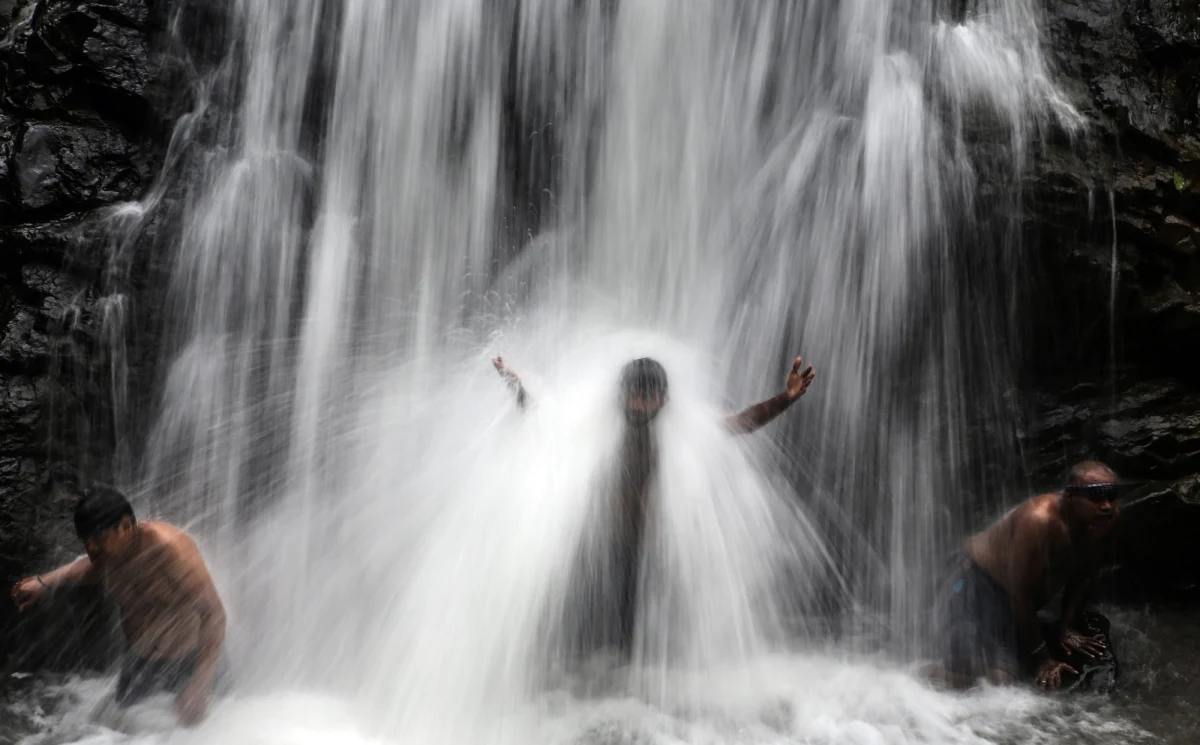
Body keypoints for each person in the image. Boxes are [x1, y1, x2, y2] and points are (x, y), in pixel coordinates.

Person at [492, 353, 816, 657]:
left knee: (640, 646)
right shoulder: (598, 426)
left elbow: (741, 423)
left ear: (663, 399)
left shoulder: (680, 431)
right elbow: (547, 419)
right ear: (619, 393)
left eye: (647, 396)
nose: (638, 404)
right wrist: (515, 386)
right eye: (632, 394)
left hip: (652, 555)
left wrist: (784, 399)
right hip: (600, 551)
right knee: (590, 643)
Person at [10, 486, 227, 725]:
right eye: (86, 540)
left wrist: (200, 683)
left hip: (191, 661)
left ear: (126, 527)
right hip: (141, 663)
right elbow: (91, 569)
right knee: (118, 732)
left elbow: (213, 613)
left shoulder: (170, 549)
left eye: (99, 538)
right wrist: (45, 583)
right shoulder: (109, 556)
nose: (91, 547)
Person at [930, 460, 1121, 691]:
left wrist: (1065, 628)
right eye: (1096, 496)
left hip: (1008, 603)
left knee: (1004, 679)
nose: (1107, 506)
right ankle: (913, 678)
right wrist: (1044, 660)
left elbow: (1082, 578)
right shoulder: (1039, 521)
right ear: (1070, 497)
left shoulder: (1102, 523)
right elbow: (1020, 597)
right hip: (972, 579)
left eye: (1112, 495)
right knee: (978, 678)